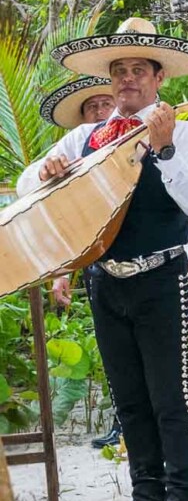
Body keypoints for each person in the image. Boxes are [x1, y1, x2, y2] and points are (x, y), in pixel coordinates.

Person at [17, 17, 188, 501]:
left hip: (162, 276)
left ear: (158, 78)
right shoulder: (84, 137)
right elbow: (28, 182)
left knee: (170, 397)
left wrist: (165, 150)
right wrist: (48, 169)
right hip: (106, 282)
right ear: (110, 79)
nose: (128, 78)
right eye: (119, 70)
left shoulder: (182, 132)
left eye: (138, 70)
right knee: (128, 399)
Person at [37, 77, 125, 447]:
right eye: (92, 108)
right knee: (115, 354)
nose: (101, 112)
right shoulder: (76, 160)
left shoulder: (134, 144)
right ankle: (123, 425)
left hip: (153, 264)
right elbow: (69, 223)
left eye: (106, 104)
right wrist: (62, 273)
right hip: (100, 270)